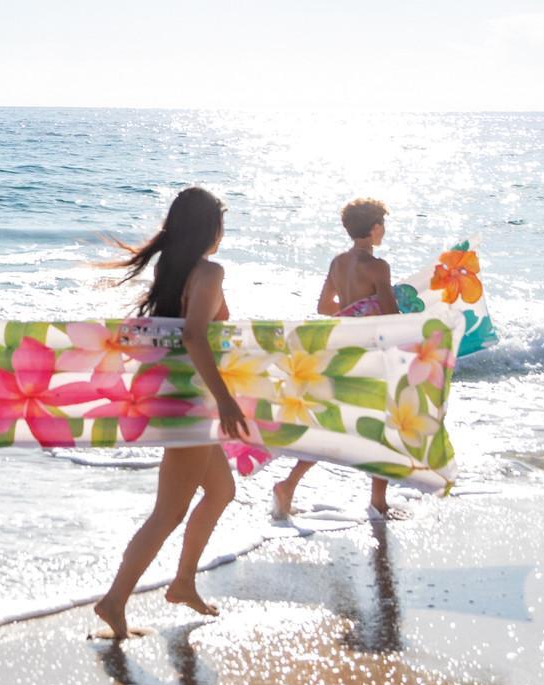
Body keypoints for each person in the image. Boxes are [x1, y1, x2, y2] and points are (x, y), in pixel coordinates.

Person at [95, 187, 248, 639]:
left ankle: (183, 583)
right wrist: (224, 399)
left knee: (221, 490)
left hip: (176, 396)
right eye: (220, 223)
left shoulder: (172, 268)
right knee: (168, 512)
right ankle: (114, 600)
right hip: (191, 405)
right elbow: (195, 336)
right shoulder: (210, 272)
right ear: (210, 228)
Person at [272, 198, 406, 521]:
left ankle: (288, 485)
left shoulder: (337, 263)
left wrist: (354, 311)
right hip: (371, 355)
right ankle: (378, 503)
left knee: (333, 425)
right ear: (375, 228)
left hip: (344, 352)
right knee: (384, 424)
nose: (384, 231)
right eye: (383, 225)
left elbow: (324, 306)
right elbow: (391, 315)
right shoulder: (378, 267)